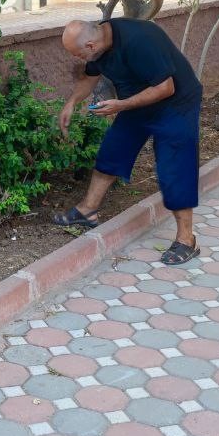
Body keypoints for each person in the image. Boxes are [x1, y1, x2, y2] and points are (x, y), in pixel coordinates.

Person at [54, 17, 203, 265]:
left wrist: (120, 105)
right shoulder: (98, 46)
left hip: (176, 103)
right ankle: (87, 211)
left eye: (77, 54)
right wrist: (71, 102)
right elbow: (90, 78)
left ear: (90, 46)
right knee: (114, 150)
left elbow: (166, 87)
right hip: (139, 99)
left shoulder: (140, 39)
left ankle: (187, 239)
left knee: (174, 166)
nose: (77, 59)